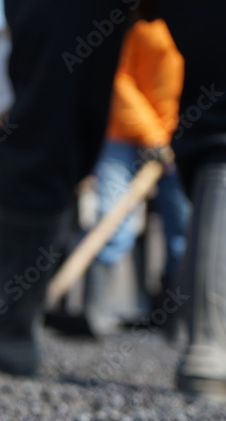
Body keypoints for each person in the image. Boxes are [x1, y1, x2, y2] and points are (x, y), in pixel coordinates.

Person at [0, 0, 226, 400]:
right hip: (141, 133)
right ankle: (223, 349)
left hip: (156, 133)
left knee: (46, 112)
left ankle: (5, 326)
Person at [84, 17, 189, 337]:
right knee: (113, 219)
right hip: (124, 130)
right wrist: (151, 135)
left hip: (176, 134)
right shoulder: (140, 23)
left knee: (182, 226)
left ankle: (175, 318)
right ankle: (94, 311)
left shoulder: (198, 22)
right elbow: (119, 77)